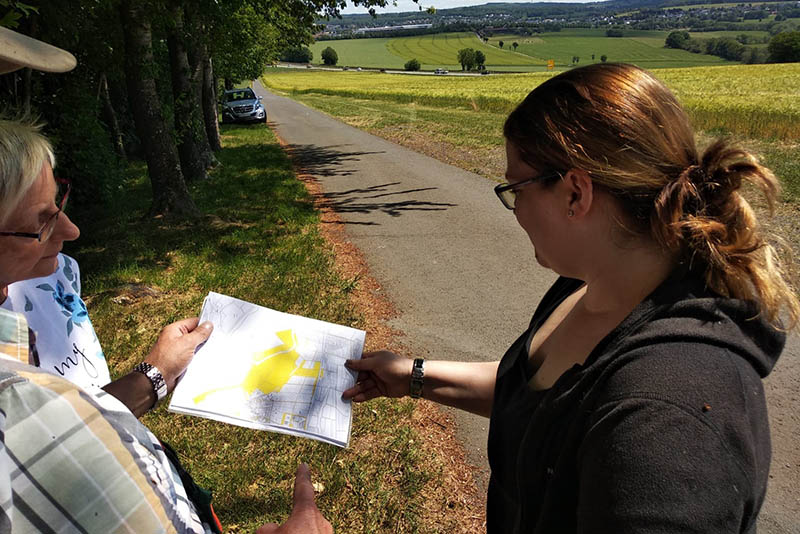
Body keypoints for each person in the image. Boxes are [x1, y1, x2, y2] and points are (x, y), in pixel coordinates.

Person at [344, 63, 799, 533]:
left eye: (515, 188)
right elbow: (546, 403)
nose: (514, 208)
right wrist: (414, 376)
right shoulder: (587, 284)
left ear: (575, 193)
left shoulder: (667, 419)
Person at [0, 27, 330, 533]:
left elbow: (77, 423)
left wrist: (155, 375)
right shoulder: (15, 408)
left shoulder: (24, 324)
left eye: (60, 203)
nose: (70, 230)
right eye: (41, 221)